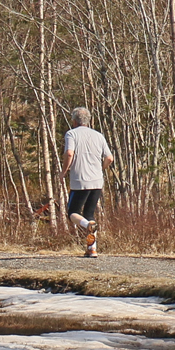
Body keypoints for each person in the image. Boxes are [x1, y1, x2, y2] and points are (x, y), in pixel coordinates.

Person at [62, 107, 114, 259]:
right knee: (89, 213)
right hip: (97, 181)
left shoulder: (71, 134)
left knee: (72, 213)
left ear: (74, 120)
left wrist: (64, 171)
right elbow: (109, 158)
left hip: (79, 181)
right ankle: (92, 249)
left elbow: (69, 153)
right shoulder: (98, 136)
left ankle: (87, 226)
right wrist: (100, 168)